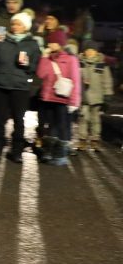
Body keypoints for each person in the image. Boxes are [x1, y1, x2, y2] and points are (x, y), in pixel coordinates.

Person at [0, 13, 41, 162]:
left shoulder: (32, 44)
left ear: (26, 27)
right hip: (0, 84)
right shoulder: (3, 39)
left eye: (19, 24)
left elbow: (35, 67)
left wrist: (28, 64)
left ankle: (17, 151)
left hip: (20, 87)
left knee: (19, 120)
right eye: (14, 24)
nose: (15, 27)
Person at [35, 29, 81, 166]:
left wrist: (74, 101)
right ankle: (49, 152)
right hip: (48, 98)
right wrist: (43, 57)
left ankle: (60, 155)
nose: (49, 44)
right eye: (49, 41)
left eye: (52, 42)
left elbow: (76, 81)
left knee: (62, 127)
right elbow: (40, 75)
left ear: (60, 43)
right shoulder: (48, 58)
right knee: (50, 127)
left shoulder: (71, 60)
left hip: (63, 99)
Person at [77, 41, 113, 151]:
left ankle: (95, 140)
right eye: (87, 50)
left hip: (97, 97)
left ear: (97, 52)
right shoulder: (79, 64)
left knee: (95, 119)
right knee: (83, 119)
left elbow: (107, 81)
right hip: (84, 97)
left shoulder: (102, 65)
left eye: (92, 50)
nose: (90, 52)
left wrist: (107, 95)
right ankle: (82, 140)